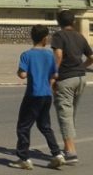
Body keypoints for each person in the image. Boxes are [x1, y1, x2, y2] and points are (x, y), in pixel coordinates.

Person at [8, 24, 65, 170]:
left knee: (23, 127)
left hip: (33, 94)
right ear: (46, 38)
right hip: (46, 95)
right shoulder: (49, 55)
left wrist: (20, 72)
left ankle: (24, 158)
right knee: (45, 126)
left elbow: (22, 74)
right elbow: (55, 74)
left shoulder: (27, 55)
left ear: (32, 37)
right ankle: (57, 154)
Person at [51, 9, 93, 165]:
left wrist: (54, 75)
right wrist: (80, 66)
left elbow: (59, 55)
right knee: (71, 114)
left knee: (65, 115)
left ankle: (70, 152)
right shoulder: (80, 36)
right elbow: (91, 58)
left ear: (59, 22)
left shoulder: (59, 36)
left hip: (66, 79)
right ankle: (68, 147)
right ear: (73, 22)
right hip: (81, 78)